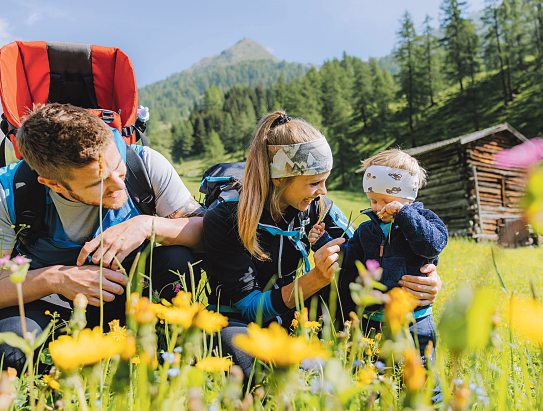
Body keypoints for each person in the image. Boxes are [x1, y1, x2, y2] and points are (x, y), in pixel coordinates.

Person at [203, 112, 443, 379]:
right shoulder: (226, 217)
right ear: (280, 178)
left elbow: (374, 252)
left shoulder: (316, 207)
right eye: (315, 182)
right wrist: (314, 279)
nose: (324, 191)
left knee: (348, 284)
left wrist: (427, 278)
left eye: (325, 180)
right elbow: (250, 307)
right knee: (245, 361)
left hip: (292, 316)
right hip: (237, 321)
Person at [0, 103, 204, 372]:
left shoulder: (145, 164)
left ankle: (170, 361)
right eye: (98, 183)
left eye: (118, 168)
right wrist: (57, 278)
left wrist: (147, 225)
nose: (119, 187)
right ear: (53, 184)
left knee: (176, 258)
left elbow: (207, 232)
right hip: (55, 306)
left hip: (138, 298)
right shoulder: (10, 194)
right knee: (9, 347)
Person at [309, 148, 447, 403]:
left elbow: (433, 244)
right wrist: (323, 244)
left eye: (385, 201)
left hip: (414, 321)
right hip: (374, 321)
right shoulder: (367, 230)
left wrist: (405, 216)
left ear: (408, 197)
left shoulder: (424, 220)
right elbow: (349, 260)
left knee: (422, 383)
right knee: (374, 382)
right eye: (373, 201)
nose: (378, 208)